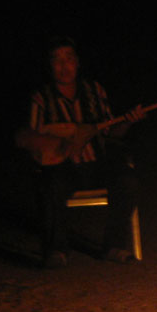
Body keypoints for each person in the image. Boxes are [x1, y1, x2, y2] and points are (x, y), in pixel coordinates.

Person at [15, 38, 144, 266]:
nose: (64, 66)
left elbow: (111, 133)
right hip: (62, 167)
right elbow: (28, 138)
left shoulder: (95, 91)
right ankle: (57, 250)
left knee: (128, 179)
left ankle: (113, 246)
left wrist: (128, 121)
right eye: (57, 60)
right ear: (49, 65)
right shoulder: (41, 98)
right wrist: (57, 143)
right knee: (51, 183)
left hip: (97, 163)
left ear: (78, 63)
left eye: (69, 59)